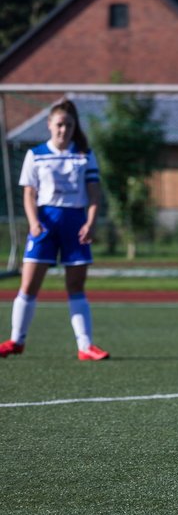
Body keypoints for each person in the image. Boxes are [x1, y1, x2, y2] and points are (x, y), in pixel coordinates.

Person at [0, 99, 110, 361]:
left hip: (75, 224)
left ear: (74, 127)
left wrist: (91, 222)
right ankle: (16, 341)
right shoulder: (36, 155)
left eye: (69, 125)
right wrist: (34, 222)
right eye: (59, 124)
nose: (64, 130)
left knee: (75, 285)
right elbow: (29, 194)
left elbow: (95, 195)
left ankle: (85, 346)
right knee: (28, 285)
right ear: (49, 125)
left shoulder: (84, 154)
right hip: (45, 223)